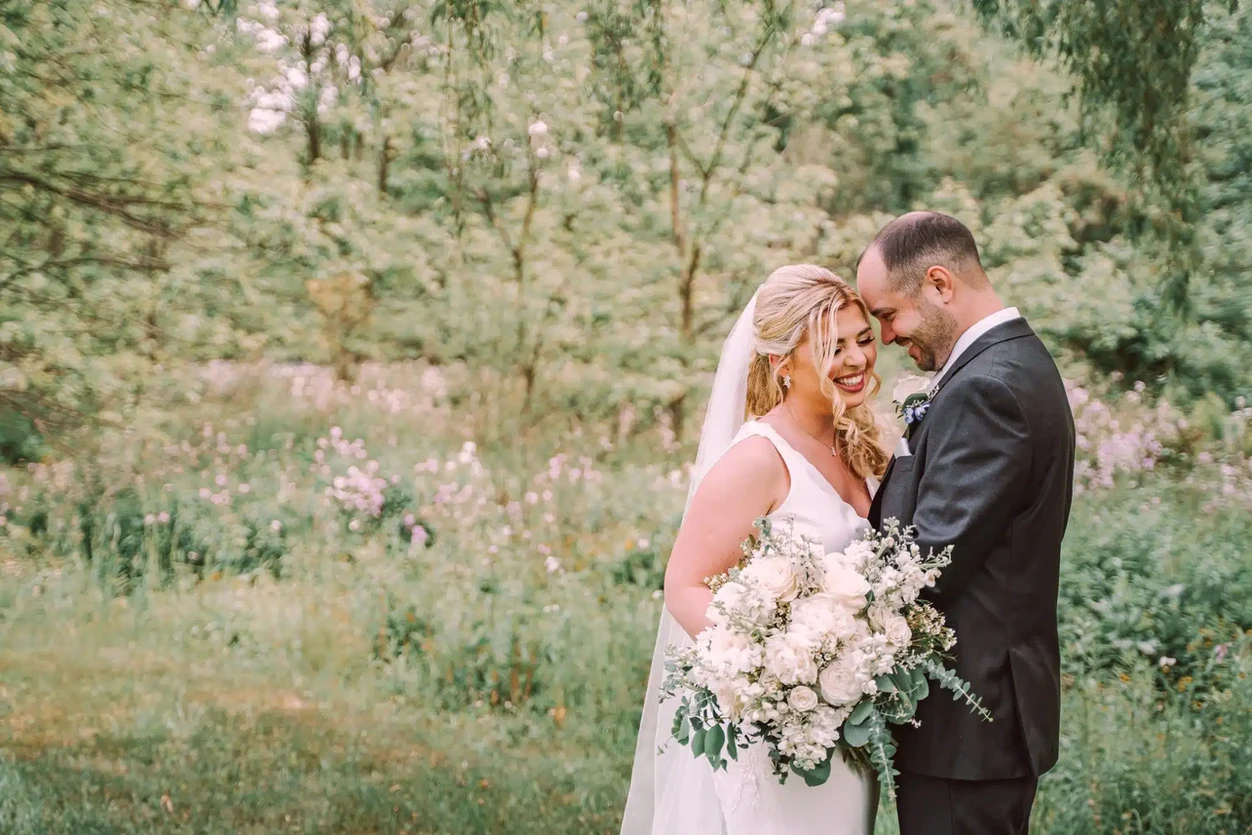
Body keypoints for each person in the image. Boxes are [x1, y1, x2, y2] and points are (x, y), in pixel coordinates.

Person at [621, 264, 890, 835]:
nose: (857, 359)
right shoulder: (757, 459)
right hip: (779, 732)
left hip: (843, 728)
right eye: (832, 347)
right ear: (782, 362)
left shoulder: (856, 440)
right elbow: (685, 584)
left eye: (863, 339)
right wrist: (775, 678)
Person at [856, 212, 1076, 835]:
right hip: (975, 726)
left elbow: (925, 566)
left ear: (939, 284)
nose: (887, 336)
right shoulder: (1009, 365)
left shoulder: (990, 388)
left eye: (889, 314)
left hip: (968, 727)